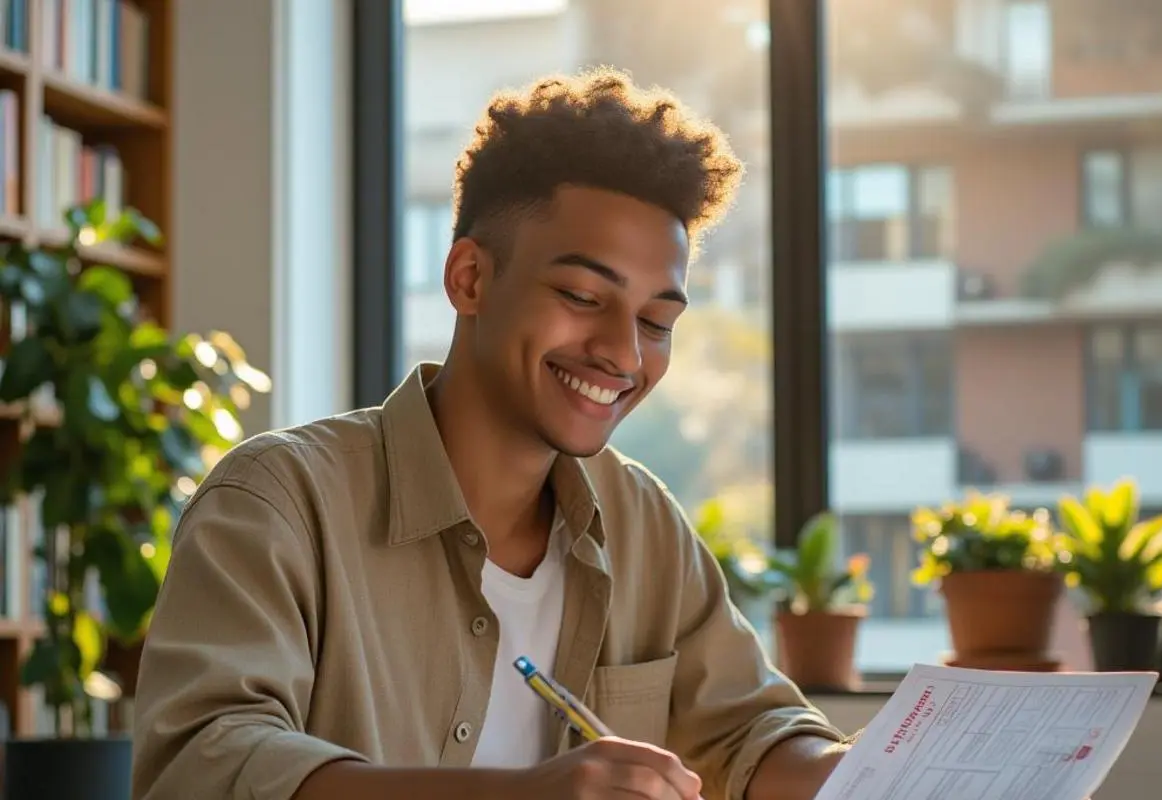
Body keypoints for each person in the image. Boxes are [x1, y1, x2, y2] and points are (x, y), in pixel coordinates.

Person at [131, 68, 854, 800]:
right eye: (583, 296)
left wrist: (884, 768)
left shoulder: (643, 524)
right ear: (469, 278)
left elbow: (751, 735)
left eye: (655, 322)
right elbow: (206, 765)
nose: (624, 355)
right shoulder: (277, 504)